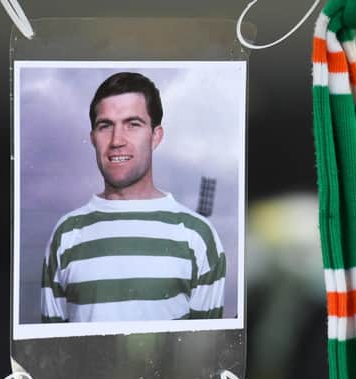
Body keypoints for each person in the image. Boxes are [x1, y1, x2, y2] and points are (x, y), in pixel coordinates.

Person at [40, 72, 226, 323]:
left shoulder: (198, 236)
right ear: (94, 137)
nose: (117, 140)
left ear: (156, 136)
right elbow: (53, 355)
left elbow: (204, 355)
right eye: (105, 125)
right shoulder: (65, 234)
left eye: (133, 124)